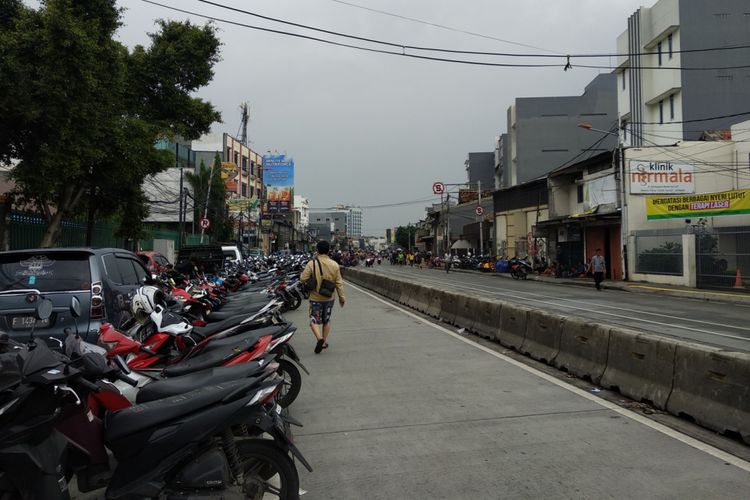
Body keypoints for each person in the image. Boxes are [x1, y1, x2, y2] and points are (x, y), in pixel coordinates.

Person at [300, 240, 346, 353]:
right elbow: (339, 282)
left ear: (317, 250)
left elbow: (303, 278)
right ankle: (324, 342)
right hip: (329, 298)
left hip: (315, 298)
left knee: (313, 319)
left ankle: (319, 338)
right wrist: (342, 297)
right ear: (328, 251)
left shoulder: (312, 263)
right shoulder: (335, 264)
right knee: (327, 320)